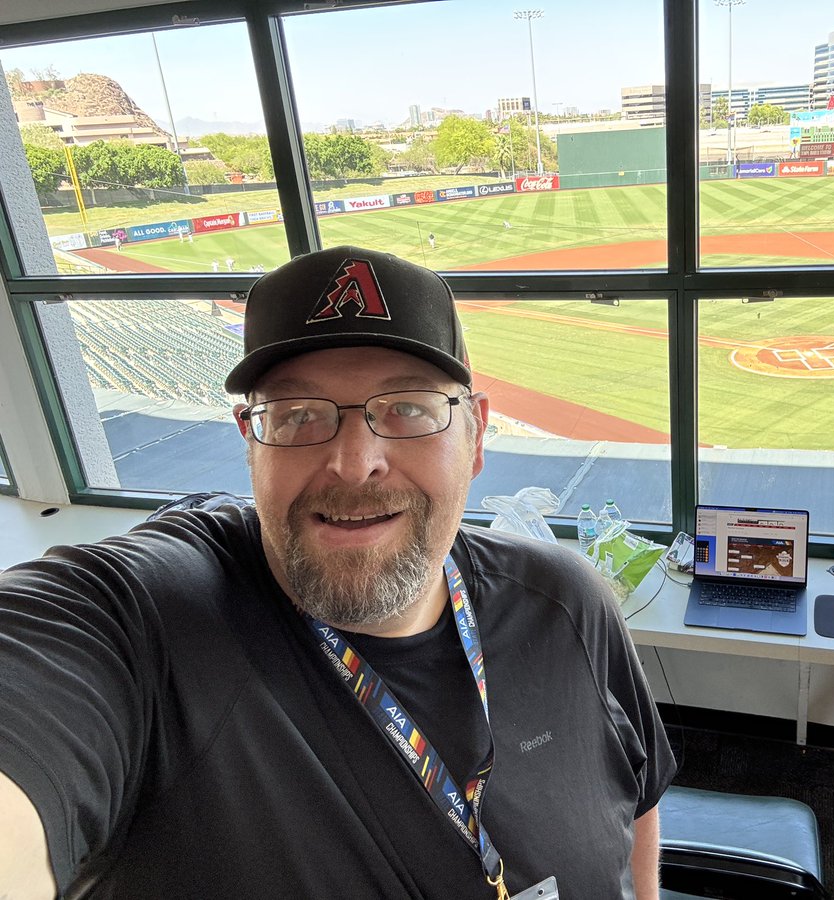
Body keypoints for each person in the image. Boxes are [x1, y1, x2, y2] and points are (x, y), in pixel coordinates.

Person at [0, 246, 674, 899]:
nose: (355, 464)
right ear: (249, 444)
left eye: (408, 408)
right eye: (298, 416)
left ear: (475, 434)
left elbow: (637, 806)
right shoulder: (145, 622)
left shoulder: (568, 600)